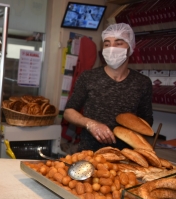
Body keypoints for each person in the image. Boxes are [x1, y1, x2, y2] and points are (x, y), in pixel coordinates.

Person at [63, 23, 153, 152]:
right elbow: (68, 112)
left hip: (125, 156)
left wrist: (129, 132)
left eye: (118, 43)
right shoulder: (89, 77)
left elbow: (146, 121)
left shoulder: (142, 82)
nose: (111, 48)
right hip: (89, 153)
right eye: (107, 44)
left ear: (130, 47)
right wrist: (91, 124)